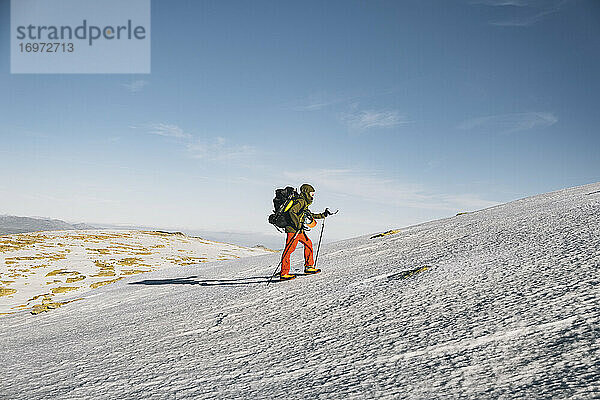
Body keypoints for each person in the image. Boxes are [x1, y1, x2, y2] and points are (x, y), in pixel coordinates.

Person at [280, 183, 333, 281]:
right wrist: (298, 225)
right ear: (306, 193)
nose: (312, 196)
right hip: (293, 230)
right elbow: (292, 212)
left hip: (298, 230)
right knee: (289, 249)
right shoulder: (300, 201)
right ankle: (284, 273)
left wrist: (323, 215)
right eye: (311, 194)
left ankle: (309, 267)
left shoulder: (304, 202)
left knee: (308, 244)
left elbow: (308, 215)